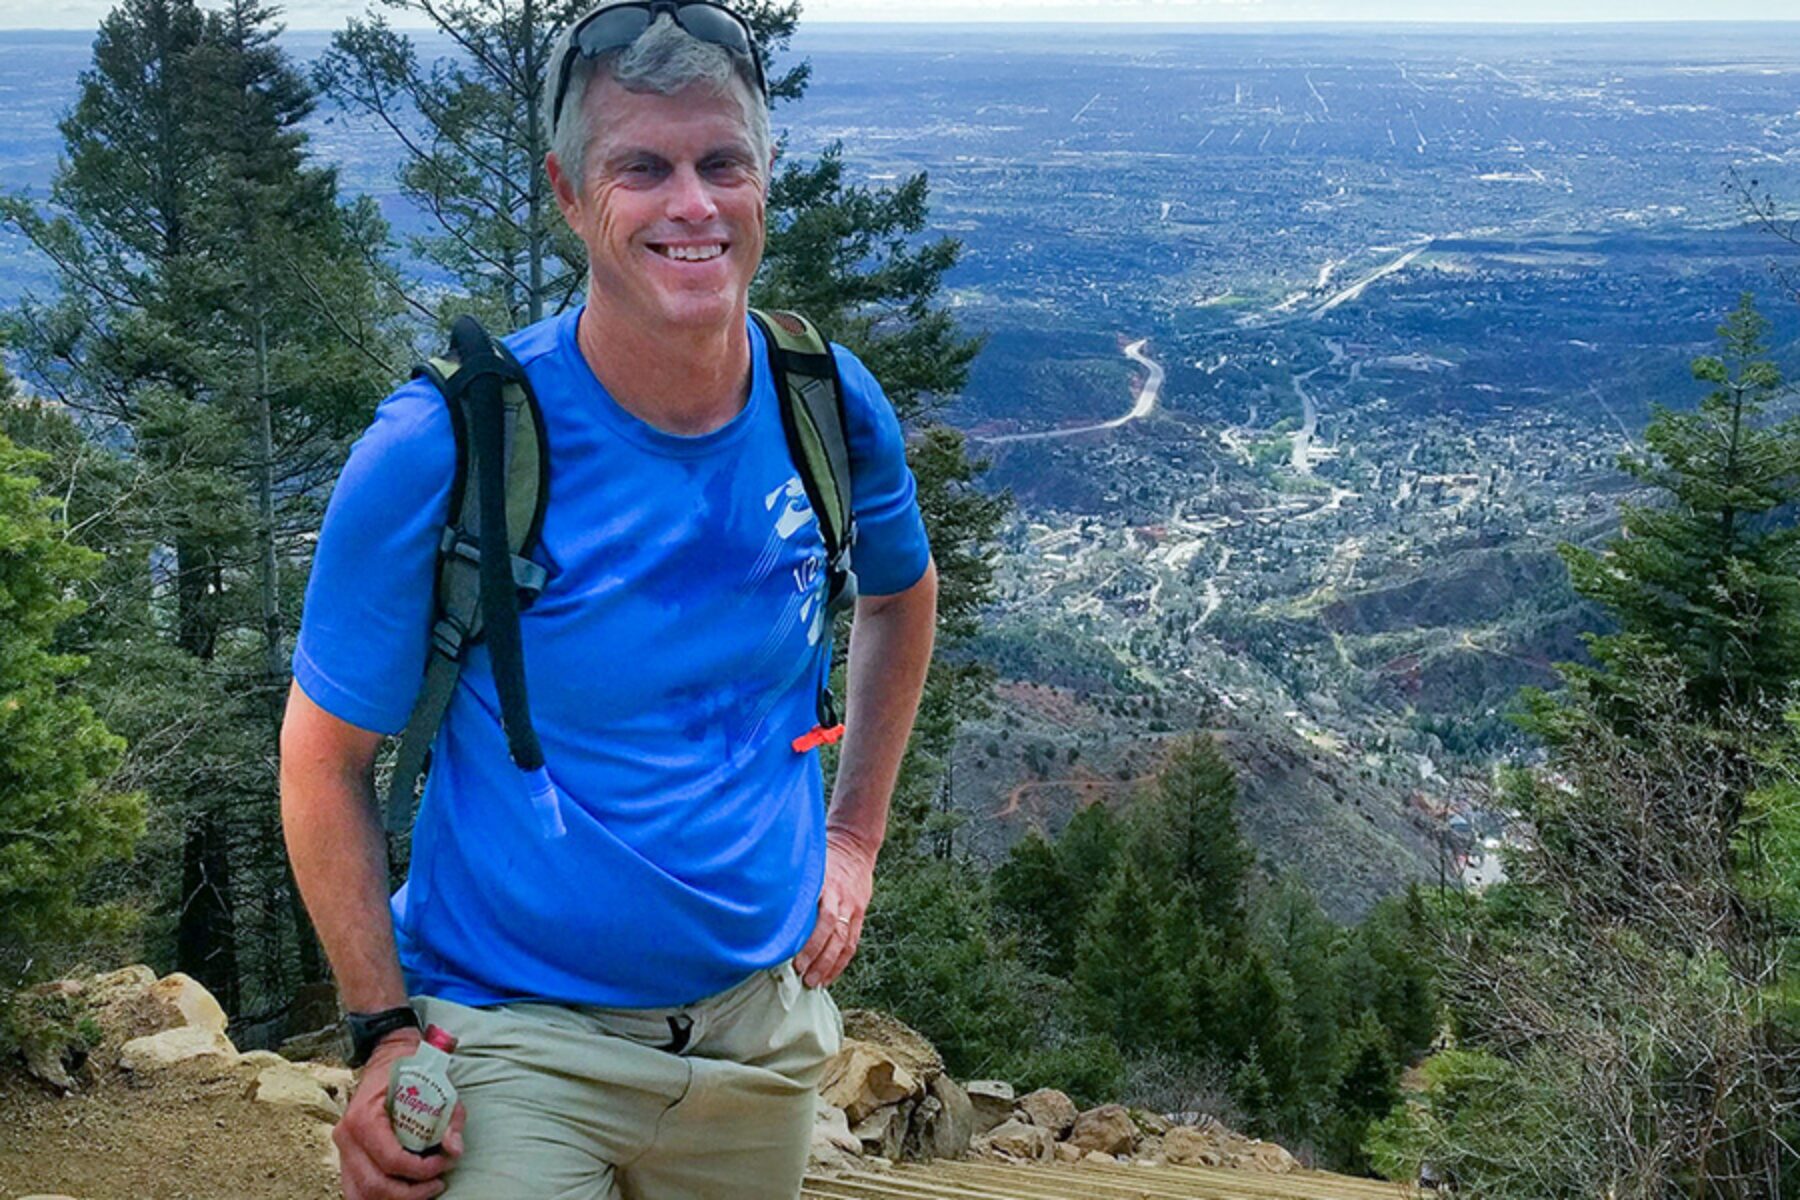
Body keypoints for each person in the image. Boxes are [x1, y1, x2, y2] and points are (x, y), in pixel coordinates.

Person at [279, 3, 939, 1196]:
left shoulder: (825, 407)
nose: (693, 203)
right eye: (642, 166)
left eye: (721, 161)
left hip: (757, 1041)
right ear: (570, 194)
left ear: (763, 177)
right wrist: (379, 1034)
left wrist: (855, 838)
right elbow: (323, 763)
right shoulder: (448, 443)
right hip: (515, 1037)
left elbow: (901, 596)